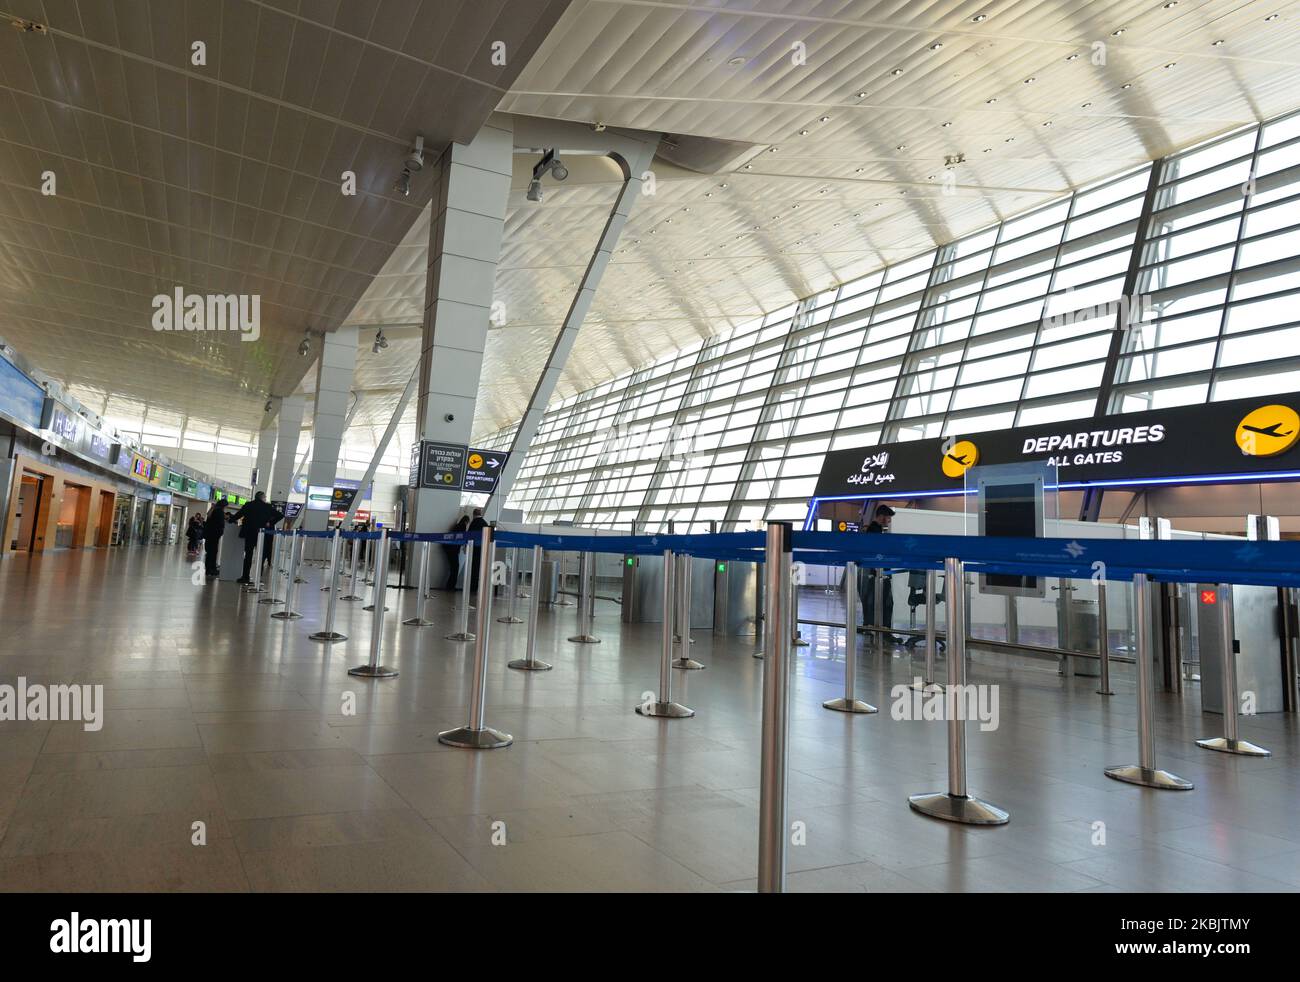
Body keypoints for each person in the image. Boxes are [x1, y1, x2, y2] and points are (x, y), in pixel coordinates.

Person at [858, 504, 901, 642]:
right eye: (888, 517)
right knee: (886, 602)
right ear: (881, 516)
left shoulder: (874, 530)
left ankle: (871, 627)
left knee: (873, 601)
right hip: (876, 572)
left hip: (874, 571)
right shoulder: (874, 531)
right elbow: (876, 552)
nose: (889, 520)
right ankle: (884, 631)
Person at [231, 492, 285, 584]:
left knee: (248, 555)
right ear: (262, 498)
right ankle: (257, 577)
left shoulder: (248, 505)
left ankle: (245, 577)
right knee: (261, 556)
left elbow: (239, 514)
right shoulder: (267, 507)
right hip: (261, 533)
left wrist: (230, 520)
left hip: (249, 533)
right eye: (265, 497)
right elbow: (280, 515)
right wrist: (270, 523)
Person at [203, 498, 227, 579]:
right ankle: (211, 569)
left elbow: (209, 518)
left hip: (209, 534)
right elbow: (220, 523)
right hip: (214, 534)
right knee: (213, 552)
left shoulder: (213, 510)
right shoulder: (219, 511)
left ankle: (209, 569)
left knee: (210, 552)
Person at [467, 508, 488, 597]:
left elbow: (468, 535)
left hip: (474, 548)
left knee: (473, 567)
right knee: (481, 567)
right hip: (483, 548)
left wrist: (465, 546)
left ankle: (473, 587)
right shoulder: (484, 523)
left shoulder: (473, 523)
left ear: (473, 514)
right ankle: (481, 587)